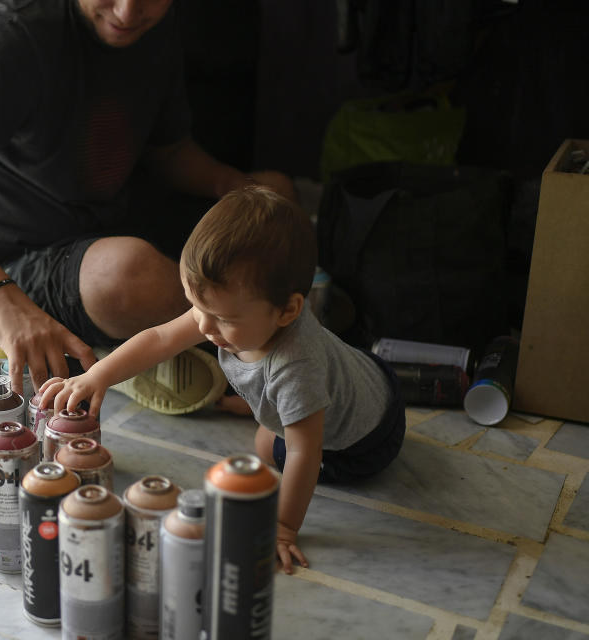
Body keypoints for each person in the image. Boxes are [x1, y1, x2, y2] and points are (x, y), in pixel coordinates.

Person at [0, 0, 295, 402]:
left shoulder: (152, 26)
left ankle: (152, 350)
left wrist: (234, 187)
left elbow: (169, 152)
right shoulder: (9, 34)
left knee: (276, 195)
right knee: (132, 274)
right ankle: (273, 352)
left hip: (105, 224)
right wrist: (0, 300)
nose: (128, 12)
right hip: (2, 272)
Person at [39, 186, 406, 572]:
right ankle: (269, 408)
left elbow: (305, 454)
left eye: (224, 319)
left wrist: (282, 527)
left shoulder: (296, 368)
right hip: (367, 374)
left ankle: (273, 412)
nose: (204, 325)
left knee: (269, 448)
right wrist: (97, 375)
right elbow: (161, 338)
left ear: (287, 311)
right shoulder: (233, 314)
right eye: (196, 306)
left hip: (367, 438)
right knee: (277, 425)